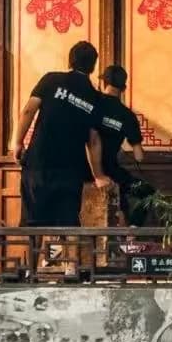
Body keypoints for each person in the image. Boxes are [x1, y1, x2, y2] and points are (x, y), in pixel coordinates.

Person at [11, 40, 108, 228]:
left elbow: (28, 112)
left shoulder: (51, 79)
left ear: (70, 61)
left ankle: (35, 257)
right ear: (93, 66)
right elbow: (94, 140)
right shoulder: (96, 97)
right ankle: (56, 257)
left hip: (39, 164)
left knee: (33, 224)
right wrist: (98, 175)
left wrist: (18, 143)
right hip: (71, 170)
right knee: (66, 226)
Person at [96, 65, 152, 224]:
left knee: (122, 201)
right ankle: (132, 232)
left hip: (82, 169)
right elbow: (139, 156)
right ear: (124, 88)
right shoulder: (127, 116)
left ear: (103, 83)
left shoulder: (93, 105)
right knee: (147, 192)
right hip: (112, 172)